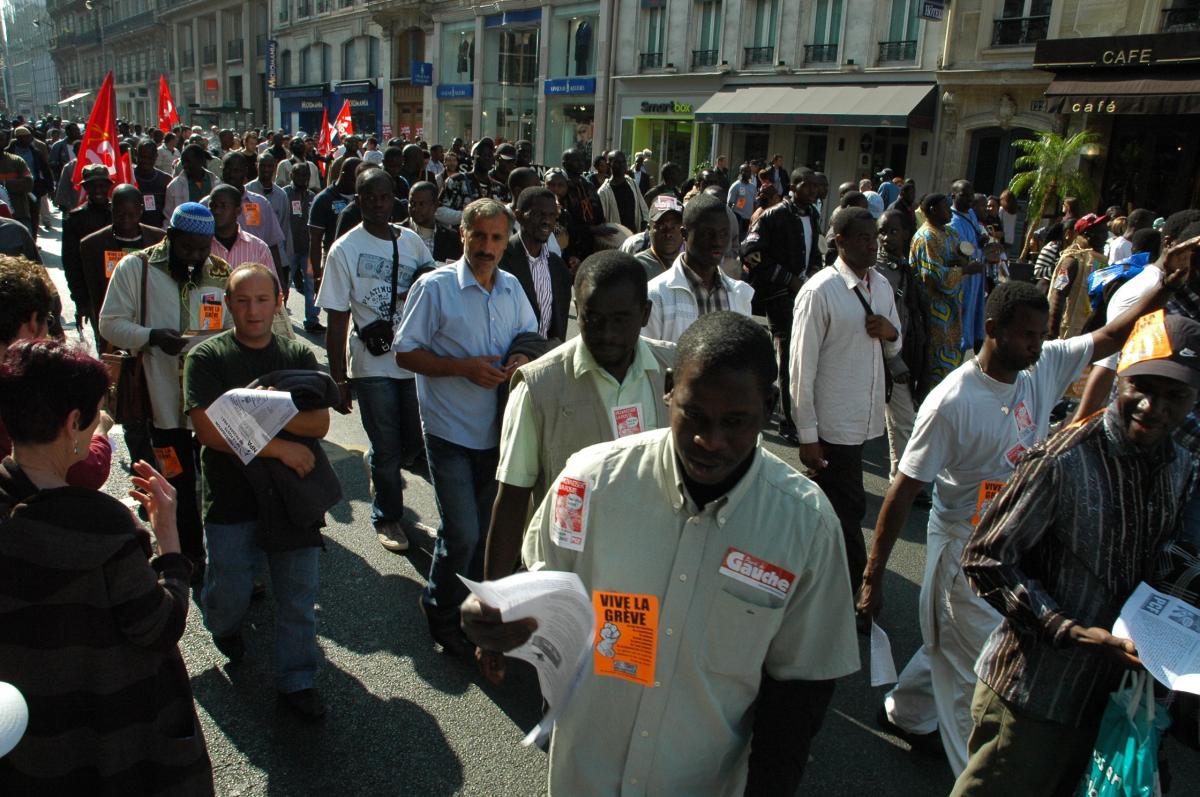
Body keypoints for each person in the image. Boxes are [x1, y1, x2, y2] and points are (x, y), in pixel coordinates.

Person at [462, 311, 860, 796]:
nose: (710, 441)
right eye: (694, 415)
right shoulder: (589, 483)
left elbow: (799, 696)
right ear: (669, 388)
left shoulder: (807, 526)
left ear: (769, 406)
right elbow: (545, 594)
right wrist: (497, 616)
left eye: (735, 422)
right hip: (583, 778)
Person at [858, 269, 1187, 775]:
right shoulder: (951, 402)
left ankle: (907, 712)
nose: (1037, 344)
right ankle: (970, 773)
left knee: (962, 644)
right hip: (965, 553)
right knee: (975, 674)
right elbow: (902, 492)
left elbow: (1110, 336)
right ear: (993, 329)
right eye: (1027, 334)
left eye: (1041, 333)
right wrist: (872, 577)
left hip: (1018, 543)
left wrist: (1166, 280)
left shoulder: (1042, 366)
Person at [952, 310, 1200, 797]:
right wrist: (1069, 630)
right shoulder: (1062, 459)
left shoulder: (1180, 466)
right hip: (1035, 696)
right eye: (1142, 387)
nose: (1152, 407)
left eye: (1174, 395)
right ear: (1119, 377)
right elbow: (985, 558)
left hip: (1110, 701)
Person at [0, 340, 213, 795]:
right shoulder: (103, 529)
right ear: (73, 423)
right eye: (96, 414)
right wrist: (169, 542)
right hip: (109, 732)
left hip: (26, 740)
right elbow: (158, 625)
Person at [184, 263, 332, 720]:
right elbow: (209, 430)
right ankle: (222, 624)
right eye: (243, 301)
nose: (253, 311)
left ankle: (297, 680)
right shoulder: (206, 357)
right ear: (228, 303)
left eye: (262, 300)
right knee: (229, 592)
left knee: (298, 597)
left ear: (278, 302)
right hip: (230, 498)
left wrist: (244, 413)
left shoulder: (298, 355)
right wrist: (280, 447)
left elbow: (319, 422)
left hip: (291, 500)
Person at [393, 198, 538, 655]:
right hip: (449, 432)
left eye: (496, 238)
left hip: (498, 435)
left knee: (484, 536)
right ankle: (438, 610)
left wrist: (520, 357)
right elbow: (405, 353)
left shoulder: (512, 287)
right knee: (462, 533)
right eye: (479, 236)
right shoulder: (434, 288)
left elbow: (529, 336)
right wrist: (463, 368)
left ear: (506, 241)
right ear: (463, 235)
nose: (487, 247)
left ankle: (470, 613)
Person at [483, 250, 672, 580]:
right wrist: (493, 596)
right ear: (577, 309)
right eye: (593, 318)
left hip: (653, 574)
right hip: (566, 577)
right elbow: (512, 497)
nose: (607, 333)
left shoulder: (676, 372)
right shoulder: (538, 388)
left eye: (620, 319)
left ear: (645, 314)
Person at [99, 202, 234, 581]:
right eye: (187, 248)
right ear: (170, 237)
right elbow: (109, 324)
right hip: (161, 407)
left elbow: (233, 329)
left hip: (209, 406)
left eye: (202, 249)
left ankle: (227, 561)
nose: (194, 258)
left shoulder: (221, 273)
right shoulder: (136, 268)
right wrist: (150, 336)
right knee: (176, 482)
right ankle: (189, 555)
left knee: (218, 482)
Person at [319, 169, 435, 553]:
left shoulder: (412, 241)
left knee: (413, 442)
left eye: (384, 197)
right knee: (387, 447)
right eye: (369, 197)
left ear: (393, 199)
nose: (378, 204)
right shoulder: (344, 250)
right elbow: (337, 318)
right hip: (371, 363)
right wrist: (338, 379)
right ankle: (387, 517)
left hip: (413, 360)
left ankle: (378, 463)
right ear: (358, 200)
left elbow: (432, 284)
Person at [791, 206, 901, 596]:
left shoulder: (881, 286)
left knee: (828, 509)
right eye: (863, 239)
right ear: (840, 241)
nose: (873, 246)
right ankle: (857, 593)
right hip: (831, 425)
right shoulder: (819, 291)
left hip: (863, 419)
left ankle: (810, 584)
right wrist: (807, 435)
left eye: (875, 238)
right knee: (848, 510)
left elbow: (894, 344)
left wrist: (890, 332)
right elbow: (800, 369)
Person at [741, 167, 824, 444]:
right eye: (806, 184)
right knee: (788, 355)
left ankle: (802, 416)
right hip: (779, 296)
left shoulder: (813, 215)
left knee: (807, 355)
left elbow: (814, 252)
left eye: (815, 186)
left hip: (807, 295)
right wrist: (789, 280)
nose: (812, 190)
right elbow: (750, 252)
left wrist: (813, 273)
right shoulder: (773, 216)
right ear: (793, 186)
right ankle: (787, 420)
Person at [645, 193, 753, 342]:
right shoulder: (656, 296)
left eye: (723, 233)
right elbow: (646, 355)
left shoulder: (740, 294)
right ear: (684, 234)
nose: (717, 242)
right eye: (708, 234)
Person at [876, 208, 930, 482]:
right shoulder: (876, 271)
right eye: (882, 232)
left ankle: (901, 479)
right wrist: (893, 360)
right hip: (881, 358)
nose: (886, 238)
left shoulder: (905, 269)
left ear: (907, 234)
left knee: (903, 421)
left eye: (893, 232)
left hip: (900, 355)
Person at [80, 183, 166, 344]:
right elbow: (89, 287)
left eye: (131, 214)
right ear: (111, 209)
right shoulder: (92, 244)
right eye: (120, 214)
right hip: (111, 322)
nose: (126, 220)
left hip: (151, 321)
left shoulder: (159, 239)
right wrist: (83, 307)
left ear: (141, 210)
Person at [911, 193, 982, 388]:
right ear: (933, 210)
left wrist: (967, 260)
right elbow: (931, 275)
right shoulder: (926, 237)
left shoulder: (950, 233)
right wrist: (965, 270)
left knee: (952, 356)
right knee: (934, 362)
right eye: (945, 207)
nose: (950, 211)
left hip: (953, 307)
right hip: (933, 311)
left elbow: (958, 258)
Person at [498, 187, 572, 342]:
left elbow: (558, 327)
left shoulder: (558, 267)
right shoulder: (499, 259)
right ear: (519, 216)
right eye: (539, 214)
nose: (547, 221)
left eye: (552, 215)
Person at [61, 165, 115, 333]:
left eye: (102, 185)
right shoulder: (75, 220)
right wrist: (80, 301)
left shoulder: (120, 214)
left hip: (121, 287)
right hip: (92, 290)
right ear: (85, 188)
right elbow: (71, 264)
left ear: (109, 186)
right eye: (93, 186)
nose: (98, 190)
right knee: (102, 340)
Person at [1047, 213, 1107, 340]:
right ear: (1087, 234)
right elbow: (1058, 295)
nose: (1106, 236)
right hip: (1068, 334)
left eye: (1105, 231)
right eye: (1101, 232)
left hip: (1089, 334)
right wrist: (1052, 334)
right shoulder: (1072, 261)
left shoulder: (1100, 261)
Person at [308, 156, 360, 293]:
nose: (359, 182)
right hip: (334, 259)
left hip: (359, 261)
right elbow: (315, 239)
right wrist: (317, 276)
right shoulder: (323, 199)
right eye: (355, 178)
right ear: (343, 174)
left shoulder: (364, 197)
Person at [283, 162, 322, 333]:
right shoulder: (284, 194)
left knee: (310, 285)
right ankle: (280, 317)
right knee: (284, 283)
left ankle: (312, 320)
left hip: (308, 249)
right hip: (289, 249)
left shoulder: (313, 196)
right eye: (298, 175)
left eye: (305, 175)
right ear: (291, 176)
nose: (302, 178)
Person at [246, 152, 294, 290]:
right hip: (253, 256)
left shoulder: (281, 195)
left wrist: (287, 260)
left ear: (274, 168)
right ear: (257, 166)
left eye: (269, 166)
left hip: (277, 257)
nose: (266, 169)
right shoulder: (247, 191)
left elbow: (285, 228)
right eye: (263, 166)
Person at [949, 180, 986, 353]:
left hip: (976, 276)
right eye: (964, 195)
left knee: (974, 311)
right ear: (953, 196)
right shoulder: (952, 222)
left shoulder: (970, 214)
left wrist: (982, 241)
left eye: (971, 195)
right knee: (962, 314)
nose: (969, 199)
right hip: (963, 278)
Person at [560, 147, 606, 264]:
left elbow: (598, 213)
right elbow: (561, 222)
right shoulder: (559, 186)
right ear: (565, 164)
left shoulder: (588, 185)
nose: (581, 163)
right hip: (568, 247)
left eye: (582, 160)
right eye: (576, 160)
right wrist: (590, 229)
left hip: (589, 245)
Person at [437, 142, 494, 229]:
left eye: (490, 155)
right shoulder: (456, 181)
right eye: (483, 155)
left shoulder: (498, 187)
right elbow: (438, 211)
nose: (487, 158)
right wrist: (467, 215)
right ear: (473, 157)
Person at [404, 180, 462, 263]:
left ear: (435, 205)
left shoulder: (451, 238)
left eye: (421, 204)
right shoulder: (398, 233)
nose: (415, 209)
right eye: (412, 203)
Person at [596, 149, 647, 235]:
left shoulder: (632, 184)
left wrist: (644, 227)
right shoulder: (603, 192)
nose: (622, 165)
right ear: (609, 164)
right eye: (617, 162)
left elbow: (643, 208)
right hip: (616, 239)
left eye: (624, 162)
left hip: (634, 236)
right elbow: (602, 220)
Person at [163, 144, 219, 223]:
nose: (185, 165)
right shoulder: (174, 186)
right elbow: (169, 217)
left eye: (188, 161)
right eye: (183, 162)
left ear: (201, 161)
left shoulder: (216, 182)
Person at [633, 195, 684, 280]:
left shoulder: (691, 265)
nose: (668, 234)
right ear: (649, 229)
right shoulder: (636, 267)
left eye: (674, 227)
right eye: (661, 227)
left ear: (684, 230)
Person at [133, 137, 172, 229]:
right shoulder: (129, 178)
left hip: (159, 231)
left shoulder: (166, 180)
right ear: (136, 154)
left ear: (156, 156)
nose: (146, 161)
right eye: (142, 157)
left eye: (150, 158)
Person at [727, 163, 757, 239]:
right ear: (741, 172)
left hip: (749, 219)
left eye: (749, 171)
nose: (748, 173)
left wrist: (754, 217)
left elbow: (754, 203)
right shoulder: (736, 185)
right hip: (738, 217)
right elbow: (729, 204)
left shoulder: (753, 187)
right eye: (745, 171)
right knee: (737, 238)